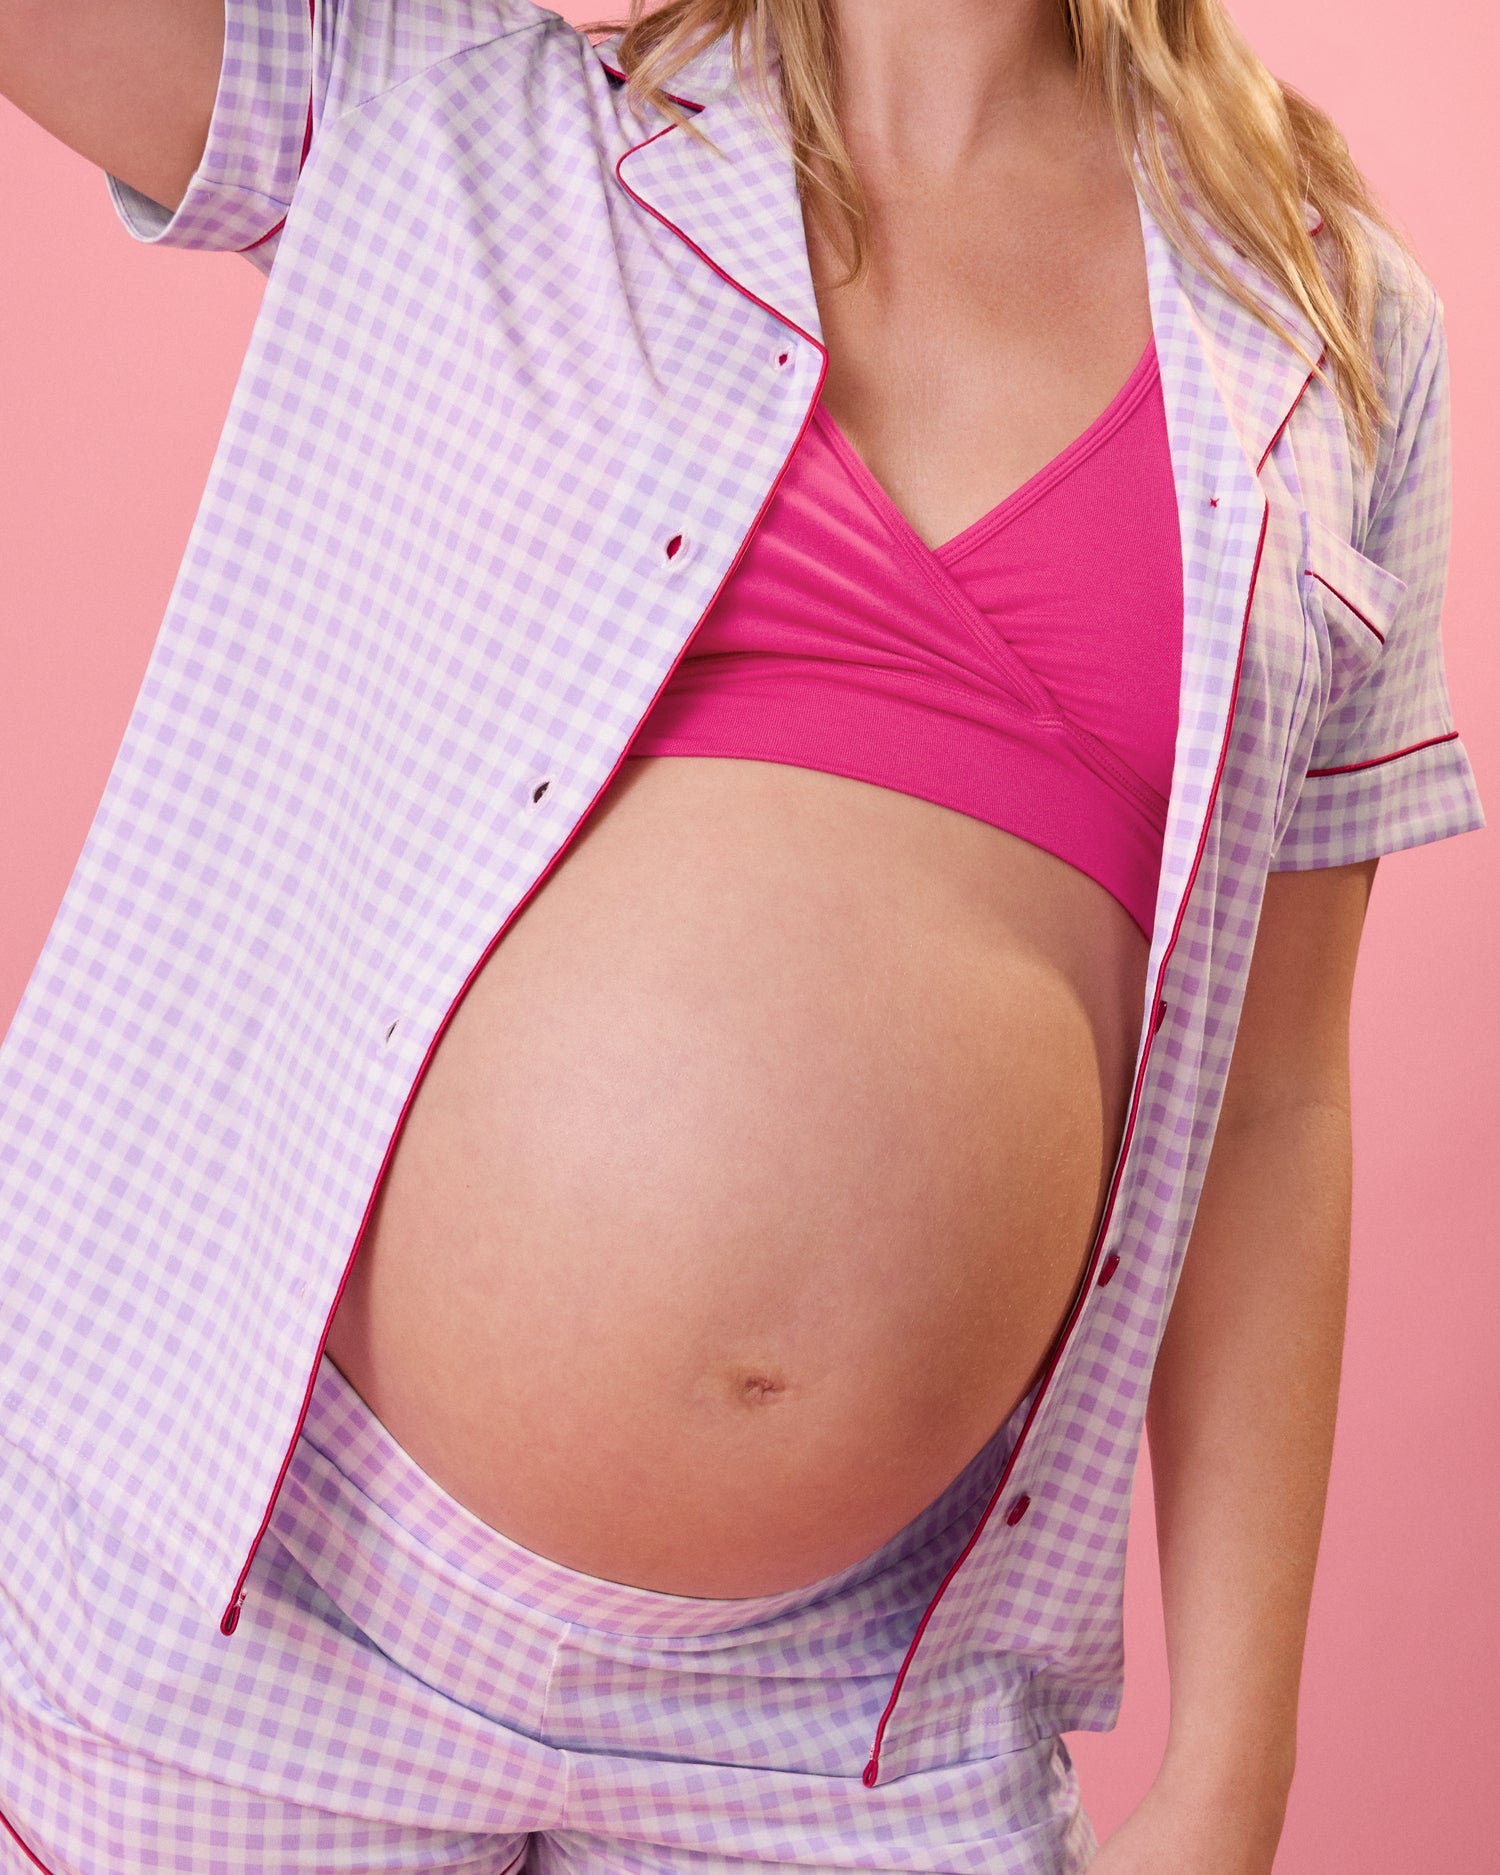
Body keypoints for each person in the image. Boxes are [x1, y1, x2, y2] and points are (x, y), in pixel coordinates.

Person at [0, 1, 1483, 1871]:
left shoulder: (1331, 322)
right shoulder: (438, 109)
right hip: (246, 1619)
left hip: (841, 1728)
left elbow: (1271, 1107)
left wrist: (1234, 1767)